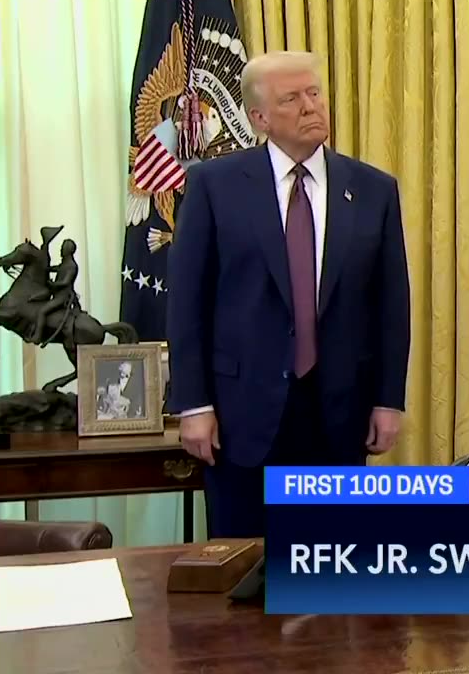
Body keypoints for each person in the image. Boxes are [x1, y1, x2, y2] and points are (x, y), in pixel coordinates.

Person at [167, 50, 411, 538]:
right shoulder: (214, 186)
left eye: (315, 93)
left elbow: (391, 307)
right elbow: (187, 303)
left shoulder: (373, 190)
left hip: (338, 413)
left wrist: (389, 400)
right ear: (259, 118)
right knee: (242, 576)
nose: (310, 106)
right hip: (242, 414)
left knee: (329, 571)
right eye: (292, 98)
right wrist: (193, 406)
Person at [30, 238, 80, 343]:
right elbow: (53, 268)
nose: (61, 250)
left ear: (68, 250)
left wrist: (53, 284)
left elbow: (66, 282)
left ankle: (37, 336)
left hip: (62, 297)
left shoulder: (71, 266)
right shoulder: (64, 264)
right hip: (57, 294)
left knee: (42, 311)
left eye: (63, 248)